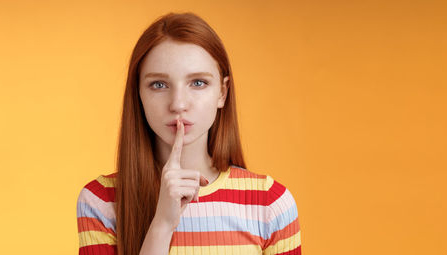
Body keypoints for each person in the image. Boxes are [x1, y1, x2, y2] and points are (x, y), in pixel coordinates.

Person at [76, 12, 301, 255]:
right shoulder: (101, 201)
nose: (178, 104)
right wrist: (162, 225)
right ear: (138, 94)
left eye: (198, 83)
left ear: (222, 93)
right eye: (159, 85)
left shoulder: (271, 202)